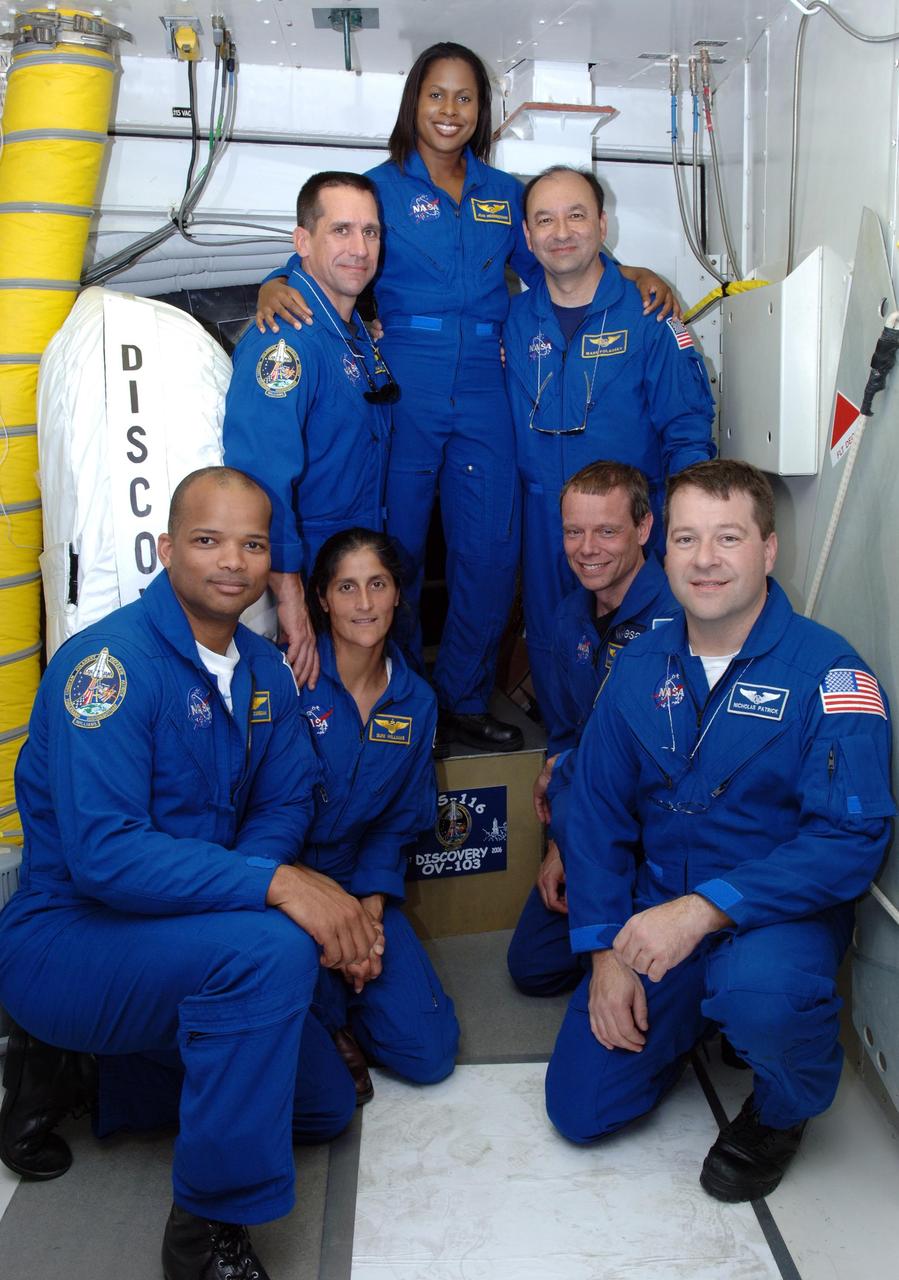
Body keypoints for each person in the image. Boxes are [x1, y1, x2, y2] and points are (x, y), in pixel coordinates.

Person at [0, 467, 382, 1280]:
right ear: (167, 547)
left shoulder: (263, 670)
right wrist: (277, 887)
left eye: (252, 543)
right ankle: (206, 1232)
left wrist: (253, 878)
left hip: (181, 940)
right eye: (208, 540)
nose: (233, 562)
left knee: (320, 1107)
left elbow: (286, 799)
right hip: (70, 937)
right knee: (271, 954)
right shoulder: (106, 668)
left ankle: (90, 1072)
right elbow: (106, 855)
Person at [255, 42, 678, 754]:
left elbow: (558, 262)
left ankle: (462, 696)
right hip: (404, 384)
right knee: (395, 551)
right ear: (413, 103)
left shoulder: (503, 195)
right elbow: (329, 254)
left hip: (485, 382)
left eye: (465, 97)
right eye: (436, 94)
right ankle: (397, 694)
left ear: (482, 110)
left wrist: (629, 271)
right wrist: (274, 283)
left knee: (490, 552)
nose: (450, 110)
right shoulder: (380, 189)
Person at [544, 459, 894, 1203]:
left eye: (727, 537)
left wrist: (703, 910)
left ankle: (782, 1108)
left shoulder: (830, 675)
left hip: (771, 922)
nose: (704, 559)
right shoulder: (639, 665)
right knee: (581, 1108)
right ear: (663, 548)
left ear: (768, 549)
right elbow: (596, 813)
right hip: (656, 916)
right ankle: (697, 1019)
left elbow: (848, 841)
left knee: (761, 994)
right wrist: (605, 952)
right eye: (686, 538)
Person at [504, 165, 716, 729]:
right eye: (545, 220)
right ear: (527, 237)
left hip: (632, 524)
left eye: (576, 215)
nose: (561, 232)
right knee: (551, 644)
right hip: (545, 523)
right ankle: (567, 759)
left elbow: (688, 433)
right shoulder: (513, 321)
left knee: (646, 657)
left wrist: (685, 531)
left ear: (602, 225)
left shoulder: (650, 316)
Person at [299, 527, 460, 1102]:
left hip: (358, 880)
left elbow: (396, 823)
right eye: (346, 587)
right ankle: (324, 1015)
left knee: (430, 1053)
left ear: (397, 594)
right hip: (284, 884)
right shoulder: (289, 678)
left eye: (378, 584)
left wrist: (367, 917)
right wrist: (321, 909)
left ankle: (335, 1002)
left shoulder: (416, 701)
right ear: (323, 599)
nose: (364, 603)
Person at [506, 461, 678, 997]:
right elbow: (566, 739)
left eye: (606, 531)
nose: (586, 549)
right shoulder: (567, 619)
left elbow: (665, 755)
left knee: (640, 979)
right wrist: (564, 844)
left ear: (644, 528)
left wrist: (567, 780)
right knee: (532, 967)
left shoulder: (681, 615)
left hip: (666, 831)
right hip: (595, 823)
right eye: (573, 532)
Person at [223, 171, 395, 693]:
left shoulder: (350, 332)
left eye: (370, 232)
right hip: (309, 574)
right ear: (303, 241)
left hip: (353, 564)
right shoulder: (285, 343)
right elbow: (260, 481)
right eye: (341, 230)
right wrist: (290, 596)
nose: (360, 248)